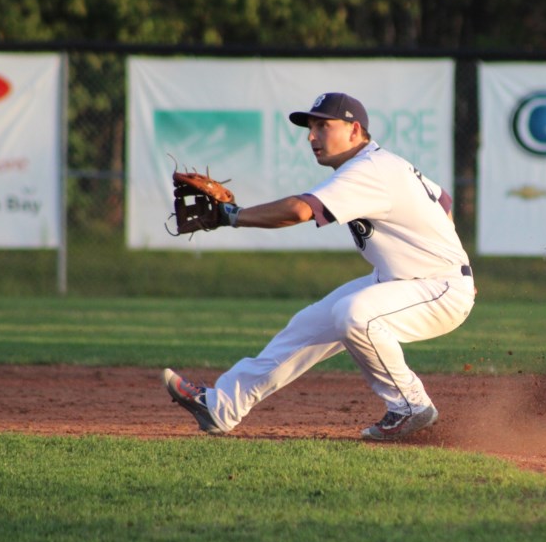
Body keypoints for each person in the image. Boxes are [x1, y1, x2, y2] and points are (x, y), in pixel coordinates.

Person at [163, 92, 475, 441]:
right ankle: (221, 406)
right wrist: (458, 256)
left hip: (438, 289)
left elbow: (299, 211)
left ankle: (411, 406)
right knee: (307, 326)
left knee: (355, 314)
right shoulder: (381, 163)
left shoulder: (370, 169)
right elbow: (443, 200)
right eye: (310, 127)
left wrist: (231, 217)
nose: (312, 136)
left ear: (355, 130)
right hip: (402, 282)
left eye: (323, 126)